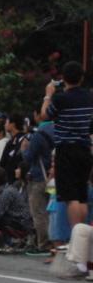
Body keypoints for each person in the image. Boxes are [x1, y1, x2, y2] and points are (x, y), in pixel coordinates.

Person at [41, 61, 93, 230]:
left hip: (66, 150)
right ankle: (83, 234)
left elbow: (45, 115)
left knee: (72, 197)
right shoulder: (89, 97)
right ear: (81, 78)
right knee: (82, 195)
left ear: (63, 78)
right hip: (85, 149)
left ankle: (76, 234)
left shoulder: (61, 98)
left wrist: (48, 94)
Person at [19, 110, 54, 255]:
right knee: (52, 211)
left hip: (39, 177)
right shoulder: (60, 129)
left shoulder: (39, 134)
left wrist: (24, 149)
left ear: (38, 116)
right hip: (54, 178)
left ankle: (43, 244)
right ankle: (56, 242)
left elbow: (28, 157)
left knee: (38, 212)